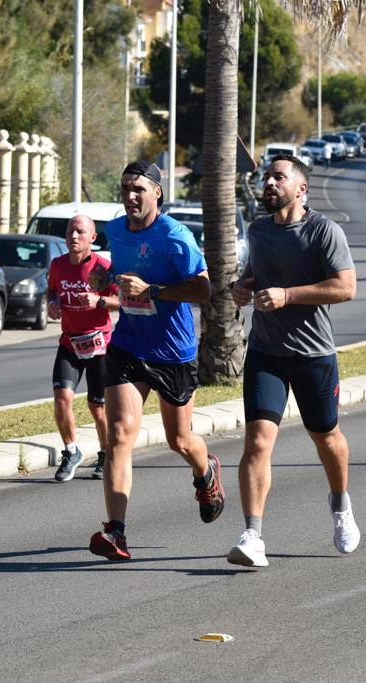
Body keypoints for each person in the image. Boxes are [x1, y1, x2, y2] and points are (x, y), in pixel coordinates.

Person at [227, 153, 359, 568]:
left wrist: (287, 294)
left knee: (327, 438)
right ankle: (252, 535)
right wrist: (243, 287)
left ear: (300, 188)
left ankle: (340, 505)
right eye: (267, 176)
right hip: (266, 354)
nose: (269, 183)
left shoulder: (324, 231)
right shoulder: (259, 229)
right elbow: (255, 273)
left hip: (314, 355)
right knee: (258, 442)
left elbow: (345, 288)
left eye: (278, 177)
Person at [86, 160, 223, 562]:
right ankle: (116, 532)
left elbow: (203, 291)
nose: (130, 196)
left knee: (179, 439)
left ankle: (206, 473)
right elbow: (118, 267)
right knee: (119, 435)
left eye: (138, 189)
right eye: (125, 188)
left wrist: (155, 289)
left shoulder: (176, 237)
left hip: (174, 351)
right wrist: (105, 279)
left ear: (157, 193)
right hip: (129, 344)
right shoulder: (115, 230)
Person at [47, 215, 120, 482]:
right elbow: (52, 291)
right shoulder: (58, 265)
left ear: (93, 238)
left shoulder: (102, 267)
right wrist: (52, 303)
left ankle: (105, 454)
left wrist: (98, 300)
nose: (73, 236)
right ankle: (71, 451)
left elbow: (122, 300)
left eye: (79, 232)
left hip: (99, 344)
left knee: (97, 407)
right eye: (70, 231)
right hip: (70, 342)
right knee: (61, 397)